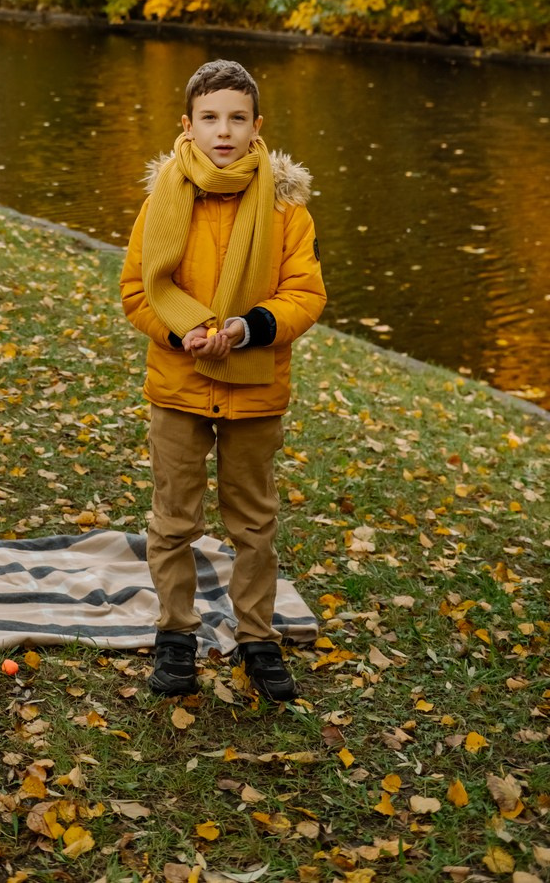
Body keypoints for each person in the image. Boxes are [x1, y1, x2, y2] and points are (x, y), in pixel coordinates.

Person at [120, 57, 326, 702]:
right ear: (188, 125)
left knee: (253, 523)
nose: (224, 131)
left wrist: (248, 327)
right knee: (174, 519)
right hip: (179, 384)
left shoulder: (287, 209)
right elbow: (137, 291)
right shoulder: (161, 204)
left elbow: (306, 294)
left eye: (237, 118)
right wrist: (183, 331)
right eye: (210, 118)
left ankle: (257, 638)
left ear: (258, 126)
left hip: (255, 388)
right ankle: (176, 634)